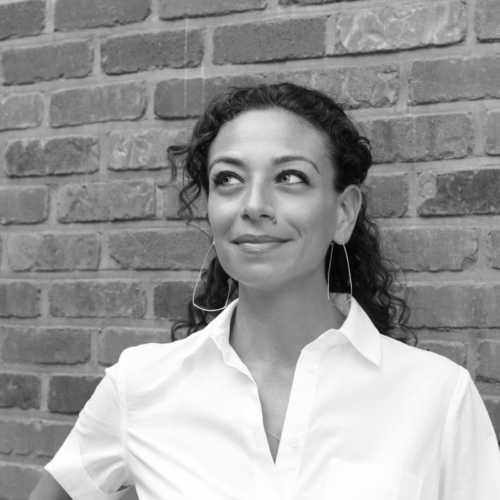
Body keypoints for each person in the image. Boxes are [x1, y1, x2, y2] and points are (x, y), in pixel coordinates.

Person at [31, 83, 500, 500]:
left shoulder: (438, 397)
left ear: (343, 213)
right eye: (228, 179)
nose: (254, 205)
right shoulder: (141, 385)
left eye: (289, 177)